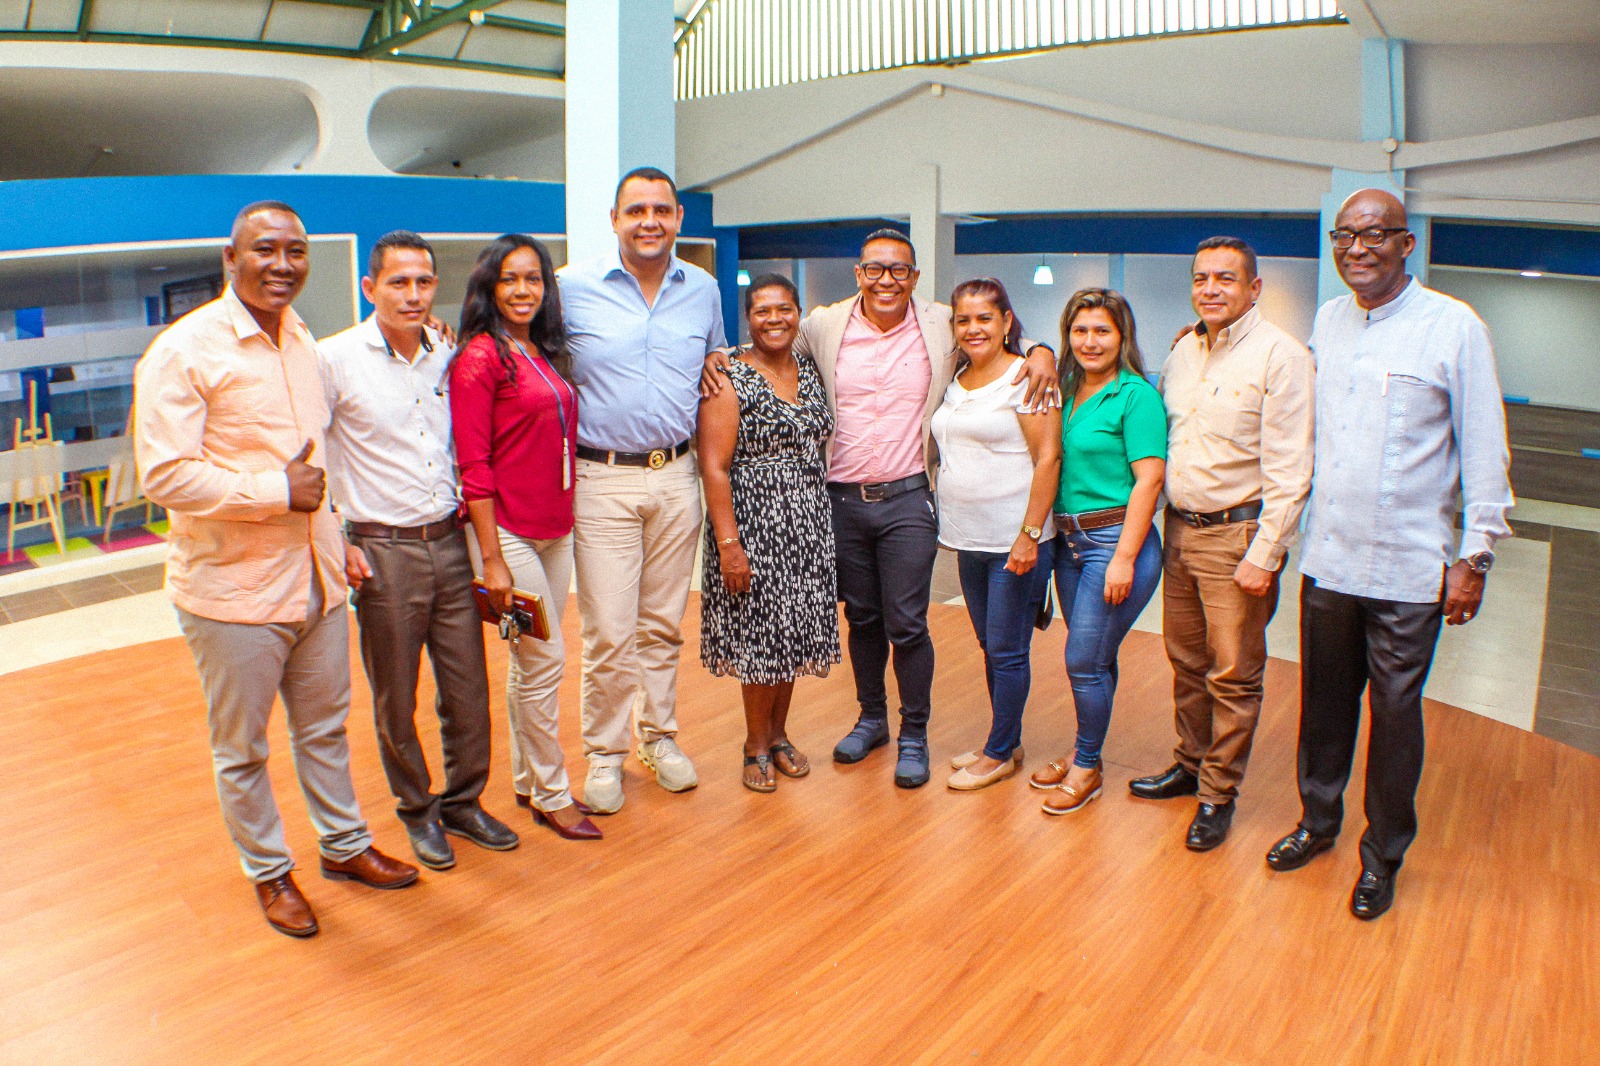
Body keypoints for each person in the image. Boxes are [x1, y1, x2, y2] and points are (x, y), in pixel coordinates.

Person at [135, 201, 418, 939]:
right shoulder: (183, 350)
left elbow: (315, 462)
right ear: (231, 258)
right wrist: (273, 490)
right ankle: (268, 871)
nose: (283, 264)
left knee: (325, 729)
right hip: (232, 593)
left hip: (316, 581)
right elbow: (163, 474)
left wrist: (336, 536)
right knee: (243, 749)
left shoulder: (301, 340)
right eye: (265, 249)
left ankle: (344, 846)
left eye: (296, 250)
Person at [707, 229, 1057, 790]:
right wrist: (717, 355)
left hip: (908, 498)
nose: (886, 279)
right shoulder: (825, 324)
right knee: (862, 618)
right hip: (840, 501)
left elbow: (993, 329)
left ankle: (914, 734)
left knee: (907, 622)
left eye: (899, 269)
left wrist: (1042, 351)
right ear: (858, 274)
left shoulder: (939, 322)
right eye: (874, 268)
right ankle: (871, 720)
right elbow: (769, 339)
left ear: (914, 277)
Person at [1265, 189, 1513, 920]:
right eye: (1344, 235)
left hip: (1411, 567)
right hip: (1331, 557)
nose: (1357, 248)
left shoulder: (1453, 327)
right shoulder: (1329, 320)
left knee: (1396, 713)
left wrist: (1475, 556)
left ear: (1407, 243)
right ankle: (1317, 822)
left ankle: (1383, 856)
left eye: (1375, 235)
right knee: (1324, 705)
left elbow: (1485, 448)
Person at [319, 230, 519, 871]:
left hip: (450, 540)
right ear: (370, 287)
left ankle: (464, 802)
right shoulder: (334, 359)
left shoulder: (447, 354)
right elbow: (308, 455)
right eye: (398, 282)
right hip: (383, 550)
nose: (413, 294)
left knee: (468, 690)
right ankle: (417, 810)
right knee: (395, 698)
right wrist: (334, 538)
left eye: (424, 282)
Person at [1127, 237, 1314, 851]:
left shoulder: (1282, 357)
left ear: (1254, 288)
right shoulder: (1184, 351)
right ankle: (1190, 764)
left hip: (1238, 536)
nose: (1211, 289)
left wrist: (1266, 553)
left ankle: (1217, 794)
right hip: (1179, 530)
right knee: (1186, 663)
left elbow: (1292, 467)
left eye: (1226, 279)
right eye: (1202, 278)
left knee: (1232, 674)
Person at [558, 167, 726, 814]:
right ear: (614, 220)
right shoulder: (571, 288)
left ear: (679, 218)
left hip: (677, 476)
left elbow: (715, 362)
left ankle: (658, 738)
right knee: (608, 630)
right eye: (636, 210)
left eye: (661, 210)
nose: (649, 221)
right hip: (601, 477)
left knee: (661, 624)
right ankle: (605, 754)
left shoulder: (703, 289)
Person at [452, 234, 601, 842]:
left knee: (529, 660)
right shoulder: (480, 358)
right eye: (509, 279)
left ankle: (526, 780)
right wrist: (492, 559)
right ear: (489, 287)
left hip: (555, 529)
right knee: (546, 661)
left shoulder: (540, 350)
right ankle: (554, 794)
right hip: (508, 533)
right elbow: (474, 465)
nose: (522, 290)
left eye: (533, 279)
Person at [697, 274, 841, 792]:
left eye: (784, 309)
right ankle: (754, 744)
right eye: (762, 311)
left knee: (791, 633)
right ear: (748, 319)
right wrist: (729, 546)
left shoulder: (810, 369)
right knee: (760, 638)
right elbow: (714, 467)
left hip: (808, 523)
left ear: (799, 313)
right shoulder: (730, 376)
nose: (774, 319)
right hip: (753, 525)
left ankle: (779, 736)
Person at [1032, 288, 1167, 816]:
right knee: (1096, 656)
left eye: (1102, 331)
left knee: (1082, 659)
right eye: (1080, 330)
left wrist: (1124, 558)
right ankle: (1083, 753)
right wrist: (1041, 351)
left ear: (1122, 336)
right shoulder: (1065, 389)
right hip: (1070, 543)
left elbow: (1149, 479)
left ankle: (1087, 767)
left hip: (1115, 542)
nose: (1090, 341)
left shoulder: (1136, 396)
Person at [932, 279, 1062, 791]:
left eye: (984, 318)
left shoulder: (1026, 376)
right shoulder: (957, 378)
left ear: (1007, 321)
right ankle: (1006, 738)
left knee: (1007, 650)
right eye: (963, 320)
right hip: (969, 540)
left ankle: (999, 753)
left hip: (1015, 541)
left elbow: (1049, 458)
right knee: (991, 645)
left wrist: (1029, 534)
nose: (973, 328)